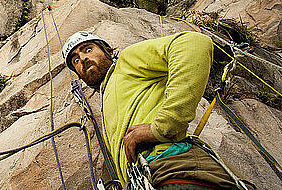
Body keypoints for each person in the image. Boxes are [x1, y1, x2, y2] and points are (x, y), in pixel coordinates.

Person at [62, 30, 253, 190]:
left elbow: (192, 43)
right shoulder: (109, 94)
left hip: (175, 169)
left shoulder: (125, 63)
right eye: (75, 60)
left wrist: (165, 125)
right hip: (151, 177)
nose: (83, 59)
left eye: (88, 49)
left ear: (109, 52)